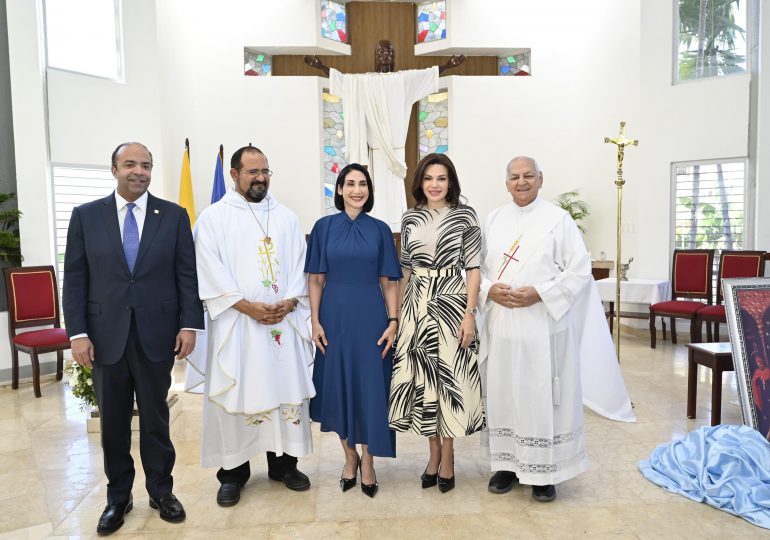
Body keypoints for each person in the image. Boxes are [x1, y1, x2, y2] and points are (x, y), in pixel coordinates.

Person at [63, 142, 204, 534]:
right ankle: (118, 497)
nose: (138, 171)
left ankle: (161, 491)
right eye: (130, 164)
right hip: (105, 338)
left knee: (156, 421)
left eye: (145, 165)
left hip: (157, 336)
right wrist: (78, 333)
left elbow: (186, 275)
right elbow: (75, 279)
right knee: (113, 423)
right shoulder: (85, 217)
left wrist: (189, 324)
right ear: (114, 170)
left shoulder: (174, 216)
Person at [189, 145, 315, 508]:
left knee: (282, 388)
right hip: (237, 325)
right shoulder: (213, 218)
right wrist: (246, 307)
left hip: (282, 324)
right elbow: (208, 270)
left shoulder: (287, 218)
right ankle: (233, 474)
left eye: (265, 172)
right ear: (234, 175)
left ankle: (284, 465)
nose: (260, 178)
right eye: (252, 172)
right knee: (239, 391)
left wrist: (290, 302)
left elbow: (300, 267)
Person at [479, 156, 594, 502]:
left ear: (541, 179)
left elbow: (580, 270)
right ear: (506, 183)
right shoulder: (494, 219)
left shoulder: (558, 221)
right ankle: (506, 465)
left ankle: (544, 472)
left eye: (528, 175)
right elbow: (477, 269)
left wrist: (539, 293)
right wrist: (488, 289)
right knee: (502, 392)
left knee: (540, 395)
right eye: (514, 176)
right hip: (502, 324)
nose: (521, 182)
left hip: (543, 325)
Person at [388, 153, 484, 493]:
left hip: (452, 302)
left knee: (449, 382)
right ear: (420, 183)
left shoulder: (465, 216)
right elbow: (405, 270)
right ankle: (432, 456)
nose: (434, 184)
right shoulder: (410, 217)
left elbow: (473, 268)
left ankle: (448, 456)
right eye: (428, 178)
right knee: (425, 382)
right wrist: (399, 317)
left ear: (450, 182)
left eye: (441, 178)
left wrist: (469, 314)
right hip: (417, 304)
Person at [306, 163, 402, 498]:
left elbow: (390, 282)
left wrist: (393, 322)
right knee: (337, 388)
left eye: (363, 184)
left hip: (371, 319)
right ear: (340, 189)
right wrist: (315, 321)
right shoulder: (323, 228)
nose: (357, 190)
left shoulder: (379, 230)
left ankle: (369, 461)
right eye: (350, 184)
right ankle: (349, 457)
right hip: (333, 319)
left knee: (371, 390)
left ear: (369, 190)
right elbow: (316, 280)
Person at [304, 40, 464, 231]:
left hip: (395, 153)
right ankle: (375, 227)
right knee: (377, 197)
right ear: (375, 57)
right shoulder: (364, 82)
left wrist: (448, 65)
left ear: (394, 57)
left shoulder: (403, 81)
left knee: (394, 197)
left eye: (389, 53)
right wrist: (320, 66)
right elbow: (344, 82)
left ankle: (398, 229)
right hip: (376, 153)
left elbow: (428, 75)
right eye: (381, 53)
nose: (385, 56)